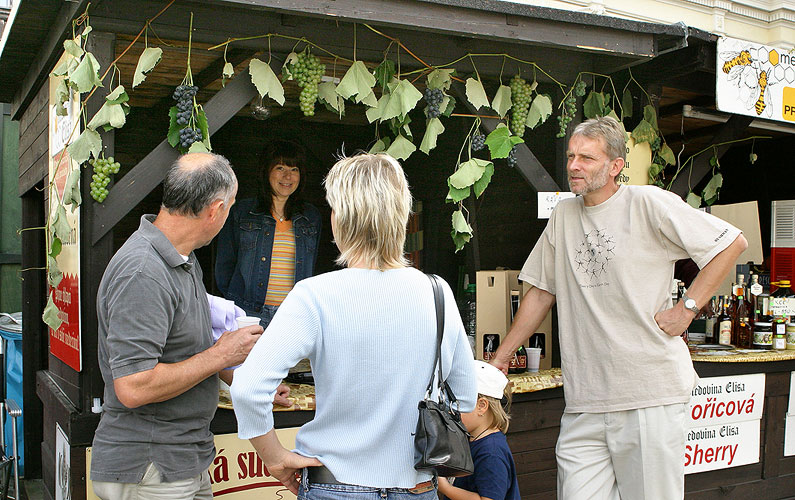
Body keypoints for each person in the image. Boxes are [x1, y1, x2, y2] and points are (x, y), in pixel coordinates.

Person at [491, 116, 748, 500]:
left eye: (587, 159)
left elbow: (732, 243)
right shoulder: (564, 215)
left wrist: (687, 308)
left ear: (615, 166)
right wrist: (500, 358)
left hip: (649, 393)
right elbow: (541, 292)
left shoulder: (648, 203)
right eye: (571, 156)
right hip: (585, 400)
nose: (574, 166)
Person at [230, 153, 478, 497]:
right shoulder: (437, 293)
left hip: (335, 483)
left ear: (340, 219)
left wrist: (274, 458)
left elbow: (246, 388)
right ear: (400, 216)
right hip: (417, 487)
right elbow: (465, 399)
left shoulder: (314, 295)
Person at [90, 153, 268, 500]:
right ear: (215, 210)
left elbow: (186, 351)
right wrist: (221, 356)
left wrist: (242, 381)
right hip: (150, 465)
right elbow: (133, 387)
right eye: (230, 208)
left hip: (181, 461)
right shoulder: (143, 272)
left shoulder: (182, 258)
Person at [215, 139, 322, 327]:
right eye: (280, 168)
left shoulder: (311, 216)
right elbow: (224, 265)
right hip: (248, 313)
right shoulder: (242, 212)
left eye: (294, 169)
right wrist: (235, 302)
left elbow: (314, 267)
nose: (288, 176)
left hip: (294, 315)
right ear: (267, 171)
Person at [438, 361, 520, 500]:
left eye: (456, 404)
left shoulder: (491, 453)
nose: (449, 411)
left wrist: (446, 488)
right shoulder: (471, 438)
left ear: (481, 406)